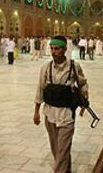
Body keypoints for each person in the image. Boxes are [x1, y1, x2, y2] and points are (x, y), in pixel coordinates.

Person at [33, 36, 89, 173]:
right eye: (51, 48)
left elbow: (82, 84)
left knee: (63, 150)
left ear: (64, 49)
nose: (53, 52)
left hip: (66, 115)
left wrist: (84, 101)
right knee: (57, 149)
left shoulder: (74, 66)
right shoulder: (46, 68)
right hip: (50, 114)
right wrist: (36, 112)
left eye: (57, 49)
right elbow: (40, 89)